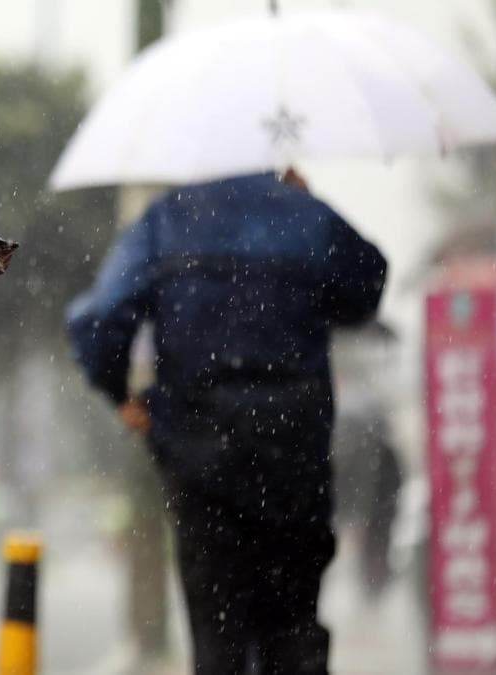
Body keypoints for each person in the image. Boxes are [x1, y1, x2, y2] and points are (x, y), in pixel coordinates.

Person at [66, 169, 386, 674]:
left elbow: (100, 319)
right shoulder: (302, 215)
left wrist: (119, 392)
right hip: (294, 454)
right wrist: (306, 207)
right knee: (293, 626)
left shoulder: (167, 220)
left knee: (217, 630)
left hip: (199, 458)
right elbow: (365, 291)